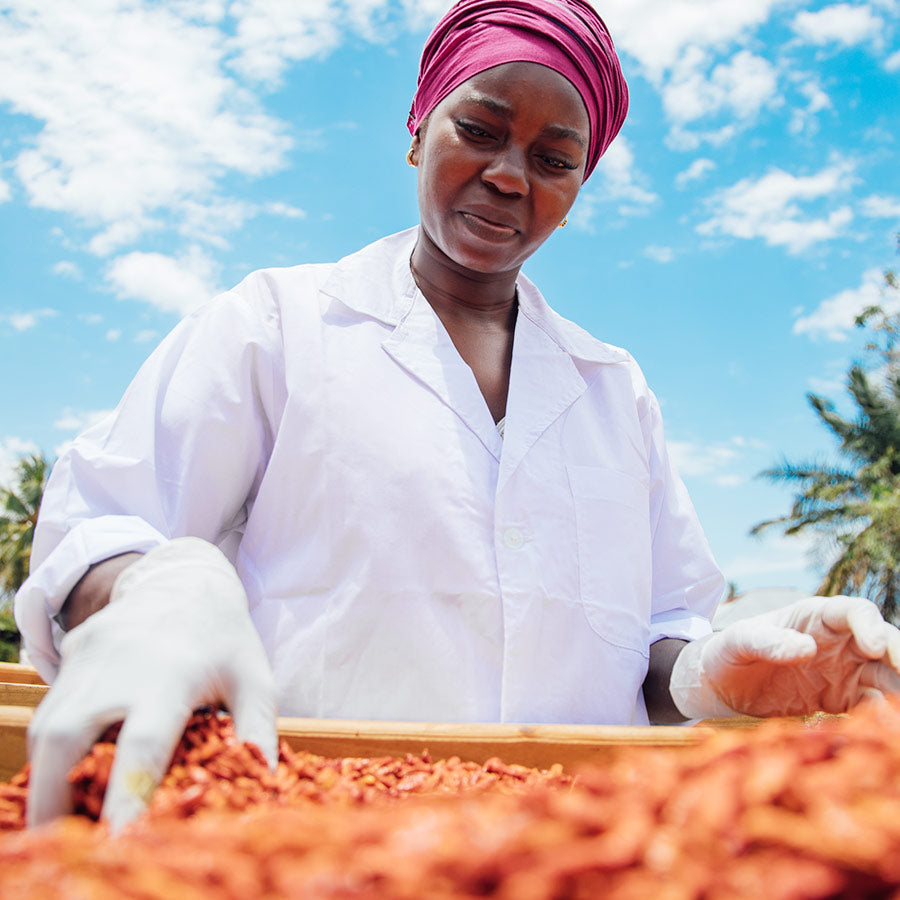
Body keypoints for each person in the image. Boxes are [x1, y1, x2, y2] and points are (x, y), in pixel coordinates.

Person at [15, 0, 900, 833]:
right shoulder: (276, 326)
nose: (509, 176)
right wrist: (160, 589)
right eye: (478, 129)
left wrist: (715, 671)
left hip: (576, 849)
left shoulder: (613, 390)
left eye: (555, 160)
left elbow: (663, 635)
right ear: (417, 131)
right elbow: (103, 524)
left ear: (578, 187)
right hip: (304, 836)